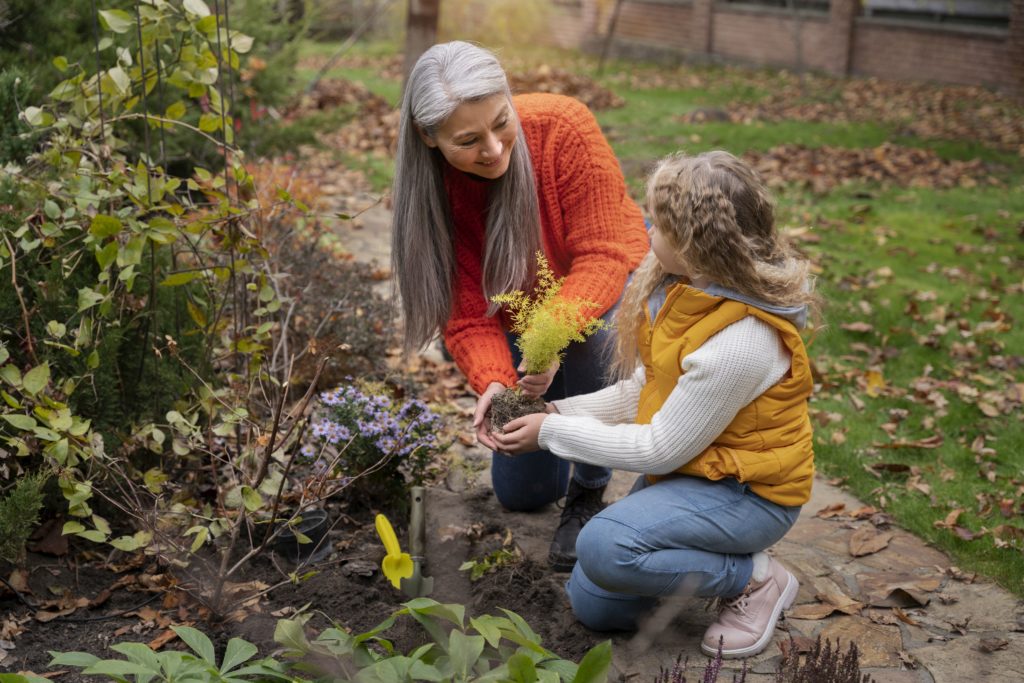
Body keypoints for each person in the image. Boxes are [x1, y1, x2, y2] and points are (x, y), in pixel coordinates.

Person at [492, 150, 820, 659]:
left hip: (748, 494)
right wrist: (561, 412)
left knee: (603, 546)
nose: (648, 231)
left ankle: (755, 578)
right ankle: (695, 558)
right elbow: (645, 390)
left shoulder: (741, 339)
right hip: (697, 470)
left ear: (693, 245)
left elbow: (661, 446)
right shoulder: (689, 293)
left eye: (659, 225)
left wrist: (548, 434)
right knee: (599, 606)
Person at [390, 41, 649, 570]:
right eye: (467, 140)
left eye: (500, 122)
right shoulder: (431, 193)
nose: (494, 149)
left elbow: (602, 256)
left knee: (588, 343)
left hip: (604, 284)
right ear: (427, 137)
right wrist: (493, 380)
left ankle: (589, 488)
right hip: (515, 310)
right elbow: (463, 314)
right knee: (522, 493)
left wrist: (549, 338)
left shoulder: (563, 127)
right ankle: (556, 438)